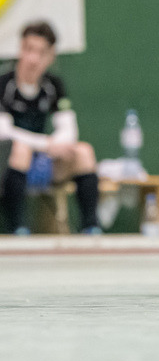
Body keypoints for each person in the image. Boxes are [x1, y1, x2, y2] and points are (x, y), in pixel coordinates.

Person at [0, 21, 100, 234]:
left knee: (83, 153)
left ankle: (91, 227)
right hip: (9, 163)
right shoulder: (3, 83)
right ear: (20, 49)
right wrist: (44, 143)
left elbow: (69, 129)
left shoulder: (53, 85)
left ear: (51, 56)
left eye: (41, 52)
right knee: (20, 149)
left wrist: (55, 146)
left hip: (42, 161)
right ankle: (18, 228)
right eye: (29, 49)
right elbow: (4, 131)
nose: (33, 59)